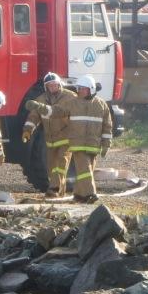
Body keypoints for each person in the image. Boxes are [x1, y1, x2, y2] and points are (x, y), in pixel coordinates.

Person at [31, 74, 112, 204]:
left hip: (93, 145)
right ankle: (91, 193)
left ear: (90, 89)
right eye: (78, 88)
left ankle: (79, 195)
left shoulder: (101, 105)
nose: (79, 91)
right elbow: (57, 111)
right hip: (78, 144)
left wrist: (106, 144)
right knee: (85, 170)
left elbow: (107, 126)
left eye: (82, 88)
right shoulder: (73, 103)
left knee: (85, 171)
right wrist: (41, 107)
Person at [21, 72, 76, 199]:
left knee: (61, 165)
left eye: (54, 85)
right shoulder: (40, 99)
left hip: (66, 139)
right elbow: (34, 116)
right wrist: (27, 130)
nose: (52, 87)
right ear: (46, 87)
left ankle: (53, 190)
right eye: (49, 85)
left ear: (59, 84)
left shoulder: (70, 97)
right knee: (51, 168)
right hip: (50, 141)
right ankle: (59, 193)